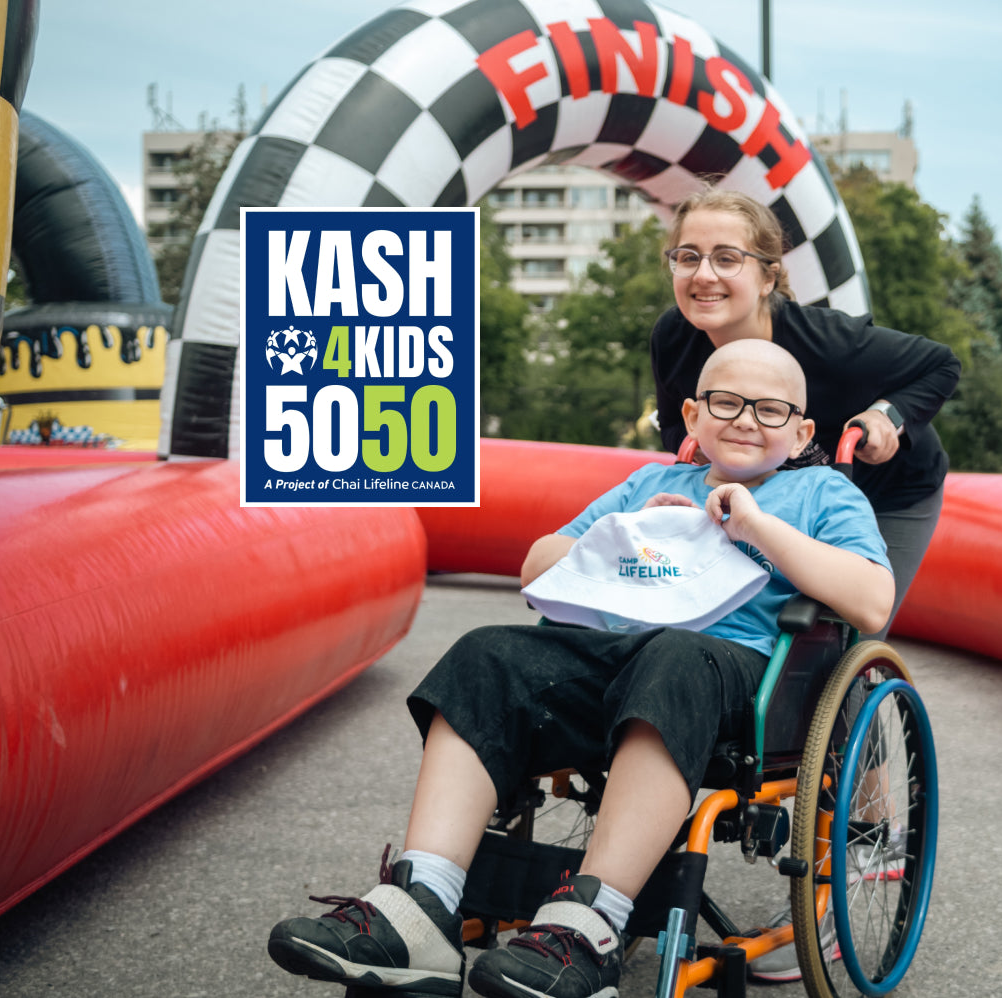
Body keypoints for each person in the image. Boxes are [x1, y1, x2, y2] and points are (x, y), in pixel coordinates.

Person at [266, 339, 894, 998]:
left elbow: (873, 601)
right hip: (618, 659)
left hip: (741, 678)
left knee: (674, 656)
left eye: (769, 410)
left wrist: (759, 528)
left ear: (802, 433)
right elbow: (536, 569)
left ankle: (590, 927)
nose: (745, 420)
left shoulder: (820, 492)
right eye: (726, 402)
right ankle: (423, 904)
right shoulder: (650, 485)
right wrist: (623, 532)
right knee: (486, 653)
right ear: (692, 414)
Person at [651, 188, 961, 644]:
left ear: (767, 278)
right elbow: (677, 428)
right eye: (688, 257)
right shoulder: (674, 337)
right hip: (775, 492)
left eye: (727, 259)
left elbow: (940, 364)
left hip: (887, 490)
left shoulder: (828, 344)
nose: (703, 275)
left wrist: (885, 416)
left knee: (843, 636)